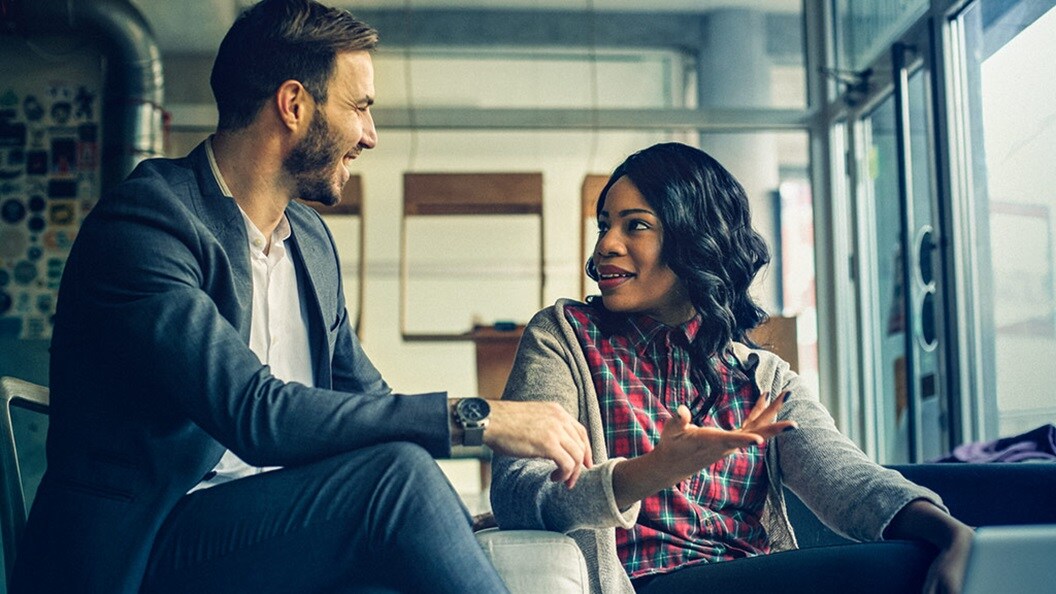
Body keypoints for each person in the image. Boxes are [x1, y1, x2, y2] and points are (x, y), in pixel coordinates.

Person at [10, 1, 592, 592]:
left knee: (401, 500)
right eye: (360, 107)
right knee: (394, 480)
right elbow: (256, 415)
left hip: (264, 534)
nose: (370, 135)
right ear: (294, 105)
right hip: (141, 549)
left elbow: (375, 407)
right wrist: (480, 416)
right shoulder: (147, 224)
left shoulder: (309, 241)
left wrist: (446, 523)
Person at [490, 142, 973, 594]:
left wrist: (952, 533)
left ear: (694, 238)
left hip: (747, 572)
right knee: (892, 573)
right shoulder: (565, 338)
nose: (606, 246)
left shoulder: (762, 377)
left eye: (634, 225)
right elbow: (517, 494)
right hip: (648, 581)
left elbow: (846, 479)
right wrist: (644, 473)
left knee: (916, 559)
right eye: (604, 225)